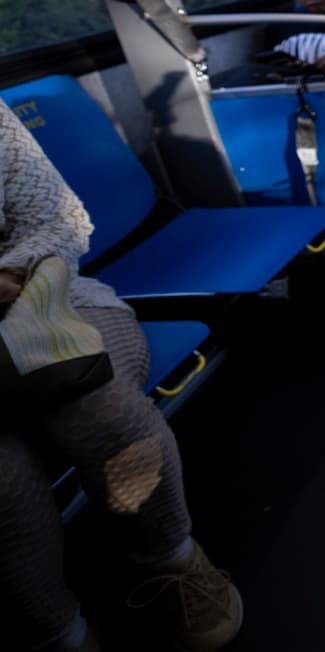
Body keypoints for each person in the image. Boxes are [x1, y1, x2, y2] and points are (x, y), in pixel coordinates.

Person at [0, 105, 242, 652]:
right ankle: (59, 632)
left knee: (99, 407)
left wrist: (14, 274)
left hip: (46, 298)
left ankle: (173, 561)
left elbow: (58, 218)